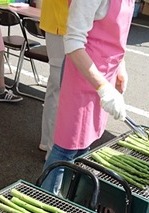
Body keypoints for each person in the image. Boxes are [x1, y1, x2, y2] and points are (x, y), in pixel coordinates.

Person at [40, 0, 133, 194]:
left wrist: (120, 68)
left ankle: (69, 196)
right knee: (66, 147)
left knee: (85, 144)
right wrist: (103, 87)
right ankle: (45, 201)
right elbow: (73, 42)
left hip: (105, 72)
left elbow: (118, 34)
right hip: (83, 75)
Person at [38, 0, 69, 159]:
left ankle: (47, 143)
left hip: (56, 23)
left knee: (54, 87)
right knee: (59, 89)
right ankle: (52, 150)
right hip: (62, 24)